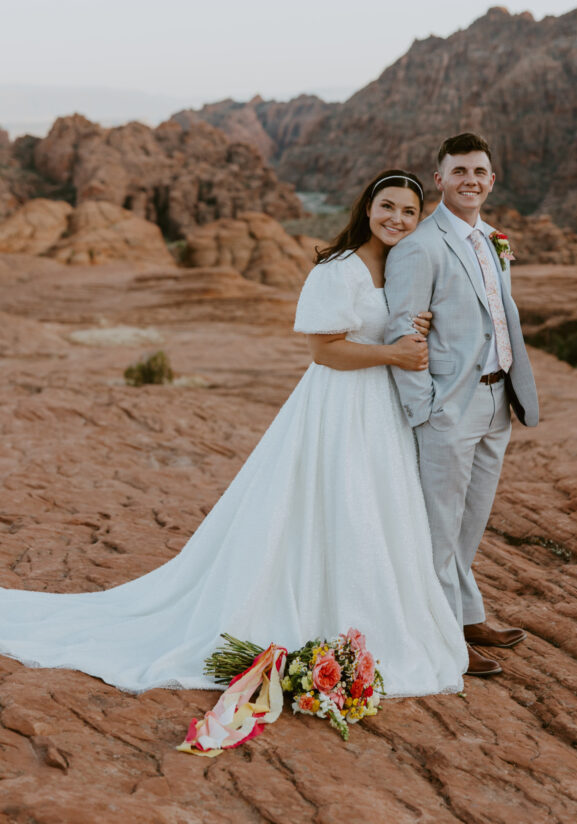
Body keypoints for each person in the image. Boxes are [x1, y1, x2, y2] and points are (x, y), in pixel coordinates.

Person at [0, 170, 468, 697]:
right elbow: (323, 350)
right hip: (339, 406)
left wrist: (416, 331)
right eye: (387, 207)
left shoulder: (403, 269)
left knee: (376, 508)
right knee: (332, 501)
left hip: (381, 412)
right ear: (367, 208)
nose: (396, 219)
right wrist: (392, 353)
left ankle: (373, 620)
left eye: (409, 212)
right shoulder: (338, 271)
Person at [385, 134, 539, 677]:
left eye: (480, 172)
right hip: (449, 407)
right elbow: (403, 329)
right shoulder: (419, 247)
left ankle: (467, 613)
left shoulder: (494, 239)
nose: (470, 180)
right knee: (439, 525)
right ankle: (441, 635)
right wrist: (424, 410)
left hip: (499, 399)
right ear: (440, 178)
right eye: (459, 172)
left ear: (491, 180)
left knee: (471, 521)